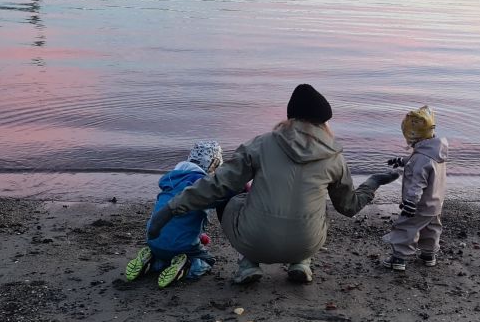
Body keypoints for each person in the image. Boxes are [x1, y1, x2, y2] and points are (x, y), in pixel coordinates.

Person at [147, 84, 398, 284]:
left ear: (291, 119)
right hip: (306, 242)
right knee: (317, 206)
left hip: (254, 241)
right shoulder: (334, 157)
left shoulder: (262, 144)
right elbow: (348, 207)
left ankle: (248, 264)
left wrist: (172, 208)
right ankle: (301, 263)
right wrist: (373, 183)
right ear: (323, 124)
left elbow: (217, 185)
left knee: (232, 196)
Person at [125, 140, 223, 288]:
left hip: (153, 240)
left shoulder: (172, 178)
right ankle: (188, 265)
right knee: (207, 260)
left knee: (165, 257)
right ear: (214, 164)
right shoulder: (203, 186)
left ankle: (152, 262)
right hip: (180, 245)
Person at [382, 105, 449, 272]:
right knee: (431, 227)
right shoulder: (435, 151)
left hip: (419, 205)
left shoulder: (421, 158)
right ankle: (429, 255)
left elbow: (418, 181)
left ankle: (399, 258)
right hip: (435, 203)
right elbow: (421, 162)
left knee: (406, 227)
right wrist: (403, 161)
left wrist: (410, 202)